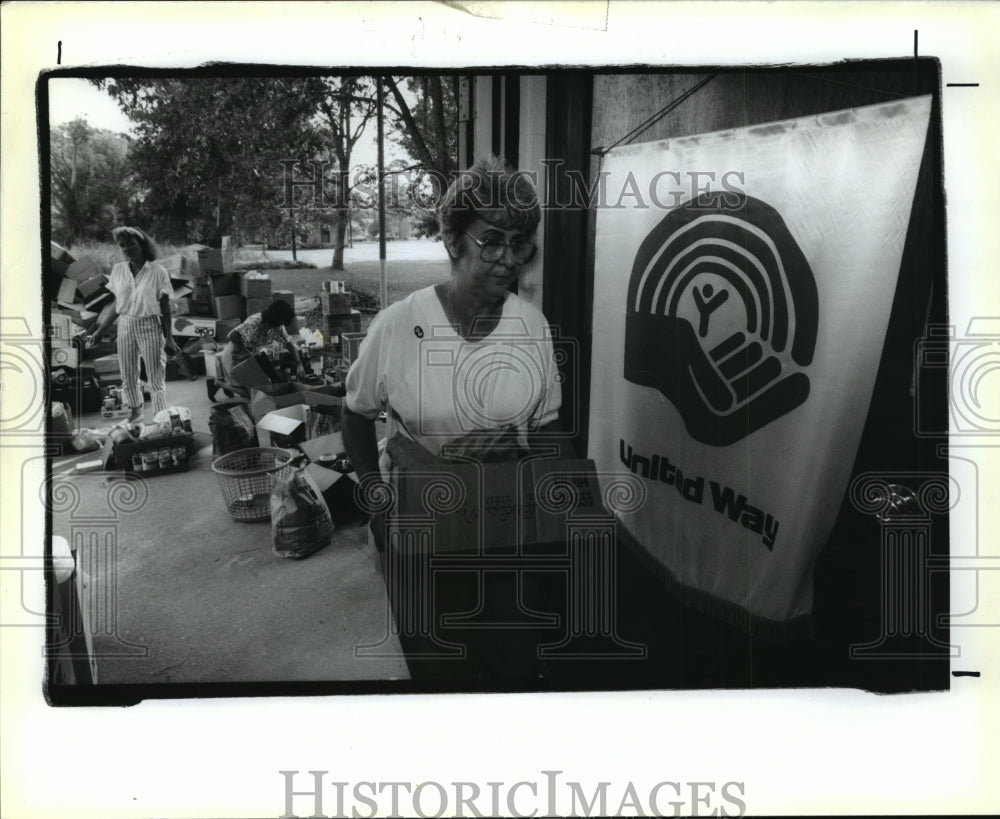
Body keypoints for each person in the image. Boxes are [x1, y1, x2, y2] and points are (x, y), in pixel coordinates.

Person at [84, 226, 177, 423]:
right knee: (128, 374)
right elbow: (117, 305)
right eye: (122, 245)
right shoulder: (118, 270)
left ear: (142, 244)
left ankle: (161, 416)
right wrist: (100, 332)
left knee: (155, 375)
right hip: (125, 325)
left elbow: (165, 307)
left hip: (150, 325)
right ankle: (135, 412)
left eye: (130, 244)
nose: (126, 248)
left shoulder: (158, 272)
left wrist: (169, 338)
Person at [219, 300, 305, 391]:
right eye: (281, 321)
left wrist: (298, 363)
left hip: (249, 355)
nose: (281, 324)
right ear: (276, 317)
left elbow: (289, 344)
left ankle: (227, 383)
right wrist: (248, 352)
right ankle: (217, 383)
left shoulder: (278, 327)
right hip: (235, 354)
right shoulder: (255, 322)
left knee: (256, 388)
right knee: (246, 391)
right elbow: (231, 336)